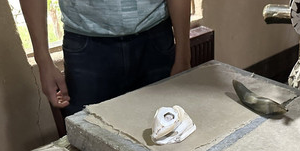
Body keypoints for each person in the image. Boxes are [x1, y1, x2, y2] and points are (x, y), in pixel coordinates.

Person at [19, 0, 191, 116]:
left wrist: (183, 56)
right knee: (89, 142)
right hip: (86, 46)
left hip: (155, 38)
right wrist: (43, 60)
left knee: (171, 132)